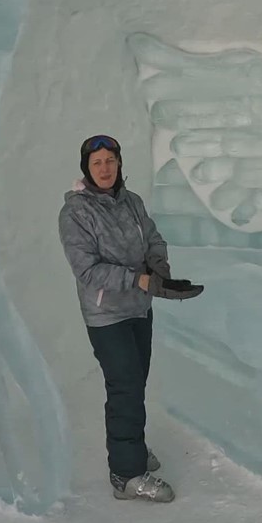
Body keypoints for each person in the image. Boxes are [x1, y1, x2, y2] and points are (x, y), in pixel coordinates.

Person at [58, 134, 203, 503]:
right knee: (124, 387)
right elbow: (87, 270)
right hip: (107, 316)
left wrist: (159, 270)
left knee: (135, 383)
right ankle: (126, 474)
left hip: (139, 307)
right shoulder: (76, 212)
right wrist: (137, 278)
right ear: (86, 170)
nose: (105, 168)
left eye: (110, 161)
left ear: (119, 163)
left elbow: (153, 238)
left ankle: (132, 448)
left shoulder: (132, 202)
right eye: (97, 163)